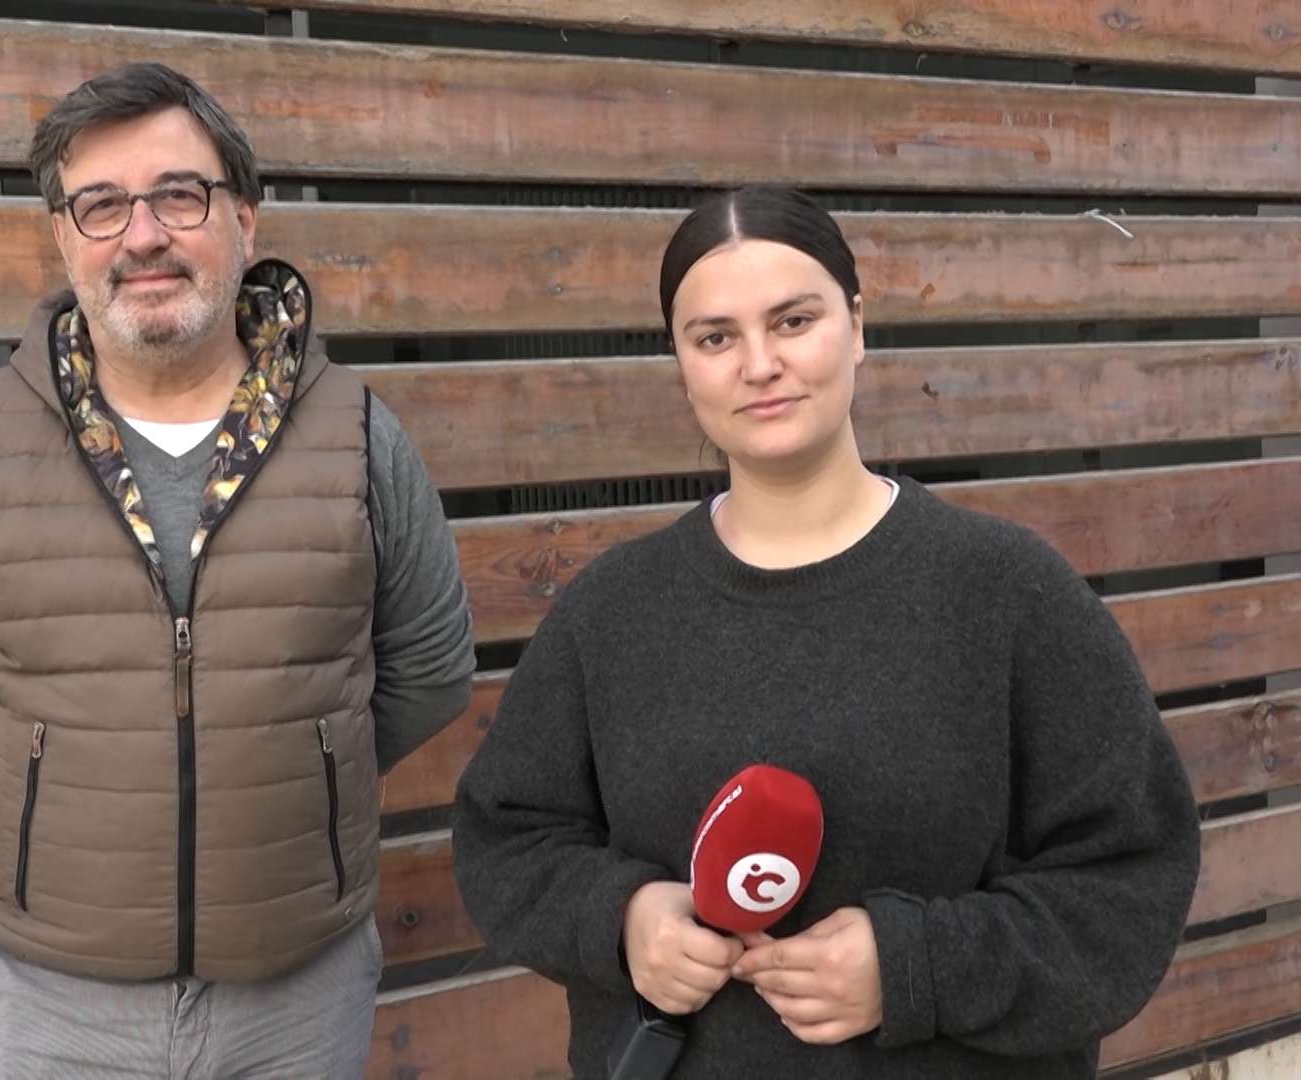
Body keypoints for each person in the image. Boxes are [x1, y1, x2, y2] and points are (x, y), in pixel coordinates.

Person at [450, 186, 1201, 1077]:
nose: (759, 364)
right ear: (681, 363)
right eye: (715, 337)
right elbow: (507, 838)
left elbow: (1128, 878)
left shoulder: (1005, 592)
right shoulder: (612, 612)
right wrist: (621, 917)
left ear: (857, 325)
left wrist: (918, 969)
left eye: (793, 321)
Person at [0, 61, 476, 1077]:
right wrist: (56, 800)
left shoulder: (360, 436)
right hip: (46, 1008)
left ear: (244, 220)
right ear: (64, 237)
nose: (142, 234)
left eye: (178, 195)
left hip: (297, 999)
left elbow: (432, 671)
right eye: (101, 204)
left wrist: (301, 776)